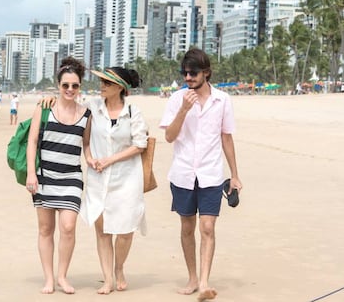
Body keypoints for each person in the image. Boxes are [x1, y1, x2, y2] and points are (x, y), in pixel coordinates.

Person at [40, 66, 148, 294]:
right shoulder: (93, 108)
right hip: (99, 178)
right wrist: (51, 97)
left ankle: (119, 268)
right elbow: (70, 106)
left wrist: (109, 160)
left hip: (127, 177)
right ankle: (108, 279)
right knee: (103, 231)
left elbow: (140, 144)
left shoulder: (133, 112)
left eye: (107, 83)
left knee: (126, 230)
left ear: (120, 87)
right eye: (101, 82)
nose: (102, 86)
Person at [159, 48, 242, 301]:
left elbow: (226, 137)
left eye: (193, 73)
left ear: (206, 72)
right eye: (184, 73)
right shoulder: (176, 99)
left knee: (207, 227)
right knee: (187, 227)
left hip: (211, 174)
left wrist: (235, 175)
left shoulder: (222, 100)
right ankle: (192, 277)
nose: (188, 77)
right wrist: (183, 110)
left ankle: (205, 281)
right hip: (183, 173)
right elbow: (169, 136)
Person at [26, 56, 91, 294]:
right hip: (44, 177)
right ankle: (48, 279)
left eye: (74, 86)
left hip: (72, 178)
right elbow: (32, 142)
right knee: (45, 229)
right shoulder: (44, 109)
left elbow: (86, 145)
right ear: (58, 86)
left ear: (80, 86)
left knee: (68, 227)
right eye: (65, 85)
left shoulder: (87, 114)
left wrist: (92, 159)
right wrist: (31, 174)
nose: (70, 90)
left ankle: (62, 275)